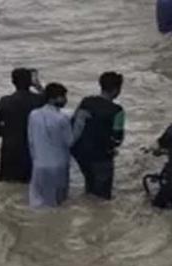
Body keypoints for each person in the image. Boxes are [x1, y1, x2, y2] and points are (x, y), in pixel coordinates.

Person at [72, 72, 126, 200]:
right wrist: (112, 147)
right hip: (101, 156)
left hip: (81, 153)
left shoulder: (86, 101)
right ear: (116, 90)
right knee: (102, 197)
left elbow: (75, 122)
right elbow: (117, 138)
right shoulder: (117, 111)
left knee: (90, 184)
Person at [0, 68, 45, 183]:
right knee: (29, 184)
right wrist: (38, 86)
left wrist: (8, 133)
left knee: (6, 183)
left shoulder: (5, 101)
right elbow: (53, 104)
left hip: (9, 149)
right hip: (30, 149)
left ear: (13, 82)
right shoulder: (38, 100)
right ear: (30, 82)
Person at [28, 83, 73, 208]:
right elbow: (70, 141)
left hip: (39, 165)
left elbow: (31, 140)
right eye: (63, 97)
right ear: (53, 99)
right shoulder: (62, 118)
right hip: (58, 166)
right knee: (58, 203)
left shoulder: (33, 114)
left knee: (37, 203)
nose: (65, 100)